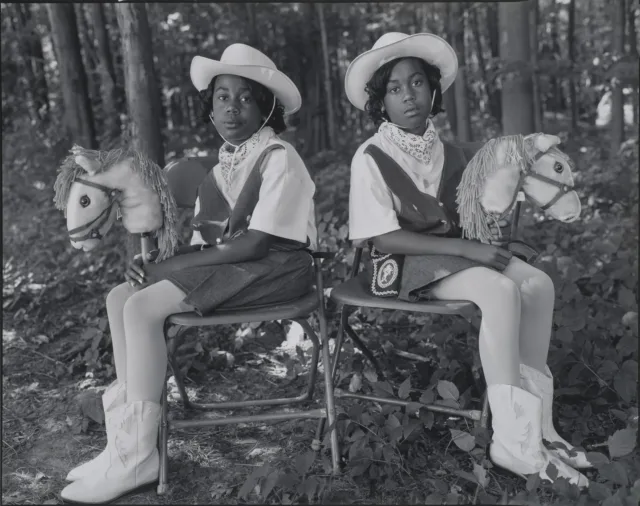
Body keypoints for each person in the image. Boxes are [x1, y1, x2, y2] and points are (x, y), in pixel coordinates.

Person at [61, 43, 317, 504]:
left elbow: (257, 243)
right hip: (236, 266)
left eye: (245, 97)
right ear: (210, 106)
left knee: (141, 308)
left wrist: (168, 269)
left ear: (266, 107)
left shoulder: (280, 157)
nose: (232, 107)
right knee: (121, 298)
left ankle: (139, 458)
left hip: (279, 267)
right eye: (222, 96)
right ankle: (123, 442)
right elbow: (207, 244)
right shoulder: (220, 169)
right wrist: (157, 268)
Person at [344, 32, 590, 487]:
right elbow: (382, 234)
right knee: (497, 288)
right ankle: (513, 444)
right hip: (400, 263)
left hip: (458, 258)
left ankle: (541, 428)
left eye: (417, 83)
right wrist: (464, 248)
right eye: (394, 89)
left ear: (433, 89)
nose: (408, 96)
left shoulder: (446, 150)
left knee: (537, 284)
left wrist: (530, 149)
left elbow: (499, 163)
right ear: (380, 102)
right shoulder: (371, 156)